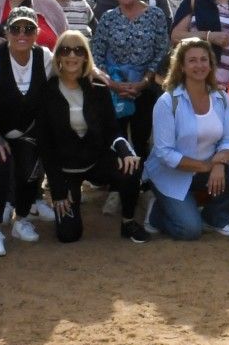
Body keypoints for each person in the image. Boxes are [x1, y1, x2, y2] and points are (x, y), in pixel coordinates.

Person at [36, 30, 148, 243]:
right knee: (68, 235)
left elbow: (112, 128)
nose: (72, 56)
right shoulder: (47, 91)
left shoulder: (98, 87)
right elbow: (46, 145)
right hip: (66, 169)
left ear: (86, 56)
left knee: (132, 164)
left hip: (96, 161)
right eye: (66, 50)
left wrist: (125, 150)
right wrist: (58, 191)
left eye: (78, 50)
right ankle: (70, 199)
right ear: (58, 56)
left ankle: (128, 222)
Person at [0, 8, 56, 258]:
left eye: (28, 29)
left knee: (30, 168)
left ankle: (22, 219)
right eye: (15, 28)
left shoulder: (44, 57)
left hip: (25, 129)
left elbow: (73, 74)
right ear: (6, 32)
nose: (22, 34)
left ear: (38, 33)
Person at [144, 38, 229, 239]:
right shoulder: (167, 101)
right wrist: (207, 166)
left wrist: (219, 163)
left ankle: (215, 218)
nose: (199, 65)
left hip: (209, 168)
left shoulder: (221, 98)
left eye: (204, 60)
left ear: (211, 64)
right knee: (189, 231)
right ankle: (157, 213)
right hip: (171, 174)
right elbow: (164, 153)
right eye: (192, 60)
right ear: (182, 67)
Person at [91, 0, 171, 162]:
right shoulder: (108, 18)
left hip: (146, 85)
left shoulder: (155, 15)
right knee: (116, 137)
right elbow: (97, 54)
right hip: (114, 87)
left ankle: (141, 179)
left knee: (141, 136)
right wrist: (113, 84)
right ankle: (119, 181)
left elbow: (162, 50)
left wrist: (143, 82)